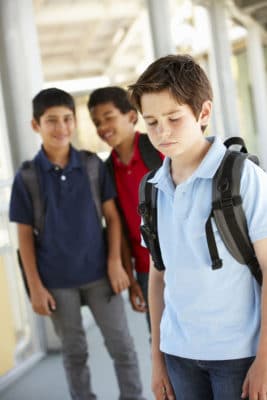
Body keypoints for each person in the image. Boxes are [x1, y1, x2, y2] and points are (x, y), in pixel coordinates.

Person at [128, 54, 267, 400]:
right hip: (179, 355)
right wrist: (157, 360)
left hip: (240, 354)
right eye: (152, 122)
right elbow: (159, 277)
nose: (162, 132)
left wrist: (264, 360)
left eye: (174, 118)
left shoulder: (242, 177)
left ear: (203, 113)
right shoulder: (152, 187)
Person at [9, 87, 146, 400]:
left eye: (67, 119)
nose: (61, 127)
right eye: (52, 121)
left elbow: (112, 218)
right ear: (35, 125)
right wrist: (35, 287)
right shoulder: (27, 177)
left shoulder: (92, 166)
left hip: (101, 275)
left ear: (74, 122)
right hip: (56, 282)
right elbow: (24, 237)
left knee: (122, 346)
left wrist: (115, 262)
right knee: (74, 353)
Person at [88, 86, 163, 333]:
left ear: (131, 116)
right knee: (160, 342)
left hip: (183, 263)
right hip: (146, 270)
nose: (102, 127)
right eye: (97, 122)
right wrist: (131, 280)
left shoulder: (159, 151)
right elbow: (117, 226)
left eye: (108, 117)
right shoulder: (107, 170)